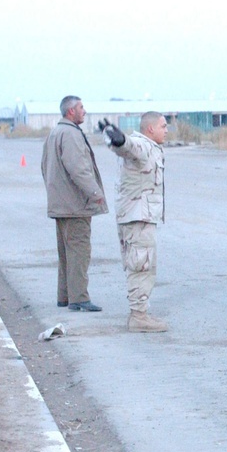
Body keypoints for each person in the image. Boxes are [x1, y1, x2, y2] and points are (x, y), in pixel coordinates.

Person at [101, 113, 169, 332]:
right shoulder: (142, 145)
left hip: (139, 216)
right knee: (141, 265)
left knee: (141, 264)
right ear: (150, 129)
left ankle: (140, 313)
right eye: (163, 126)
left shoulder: (151, 146)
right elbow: (129, 148)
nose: (166, 130)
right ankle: (139, 316)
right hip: (137, 217)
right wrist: (120, 141)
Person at [41, 96, 108, 312]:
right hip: (75, 205)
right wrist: (95, 192)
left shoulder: (55, 133)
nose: (84, 111)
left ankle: (65, 296)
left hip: (61, 204)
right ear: (71, 111)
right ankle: (79, 298)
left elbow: (44, 167)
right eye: (81, 107)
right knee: (79, 251)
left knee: (66, 253)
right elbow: (78, 168)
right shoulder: (70, 134)